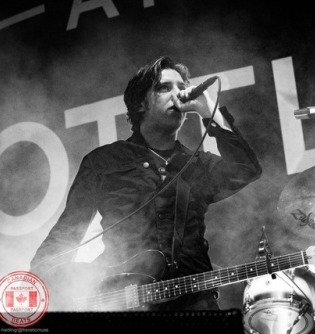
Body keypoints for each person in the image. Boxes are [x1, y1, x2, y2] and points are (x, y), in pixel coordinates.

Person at [30, 56, 262, 312]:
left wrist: (209, 111)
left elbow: (246, 169)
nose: (179, 94)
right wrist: (42, 287)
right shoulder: (104, 161)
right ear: (141, 104)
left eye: (181, 86)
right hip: (125, 300)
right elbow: (66, 234)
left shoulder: (198, 164)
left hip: (196, 302)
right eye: (165, 87)